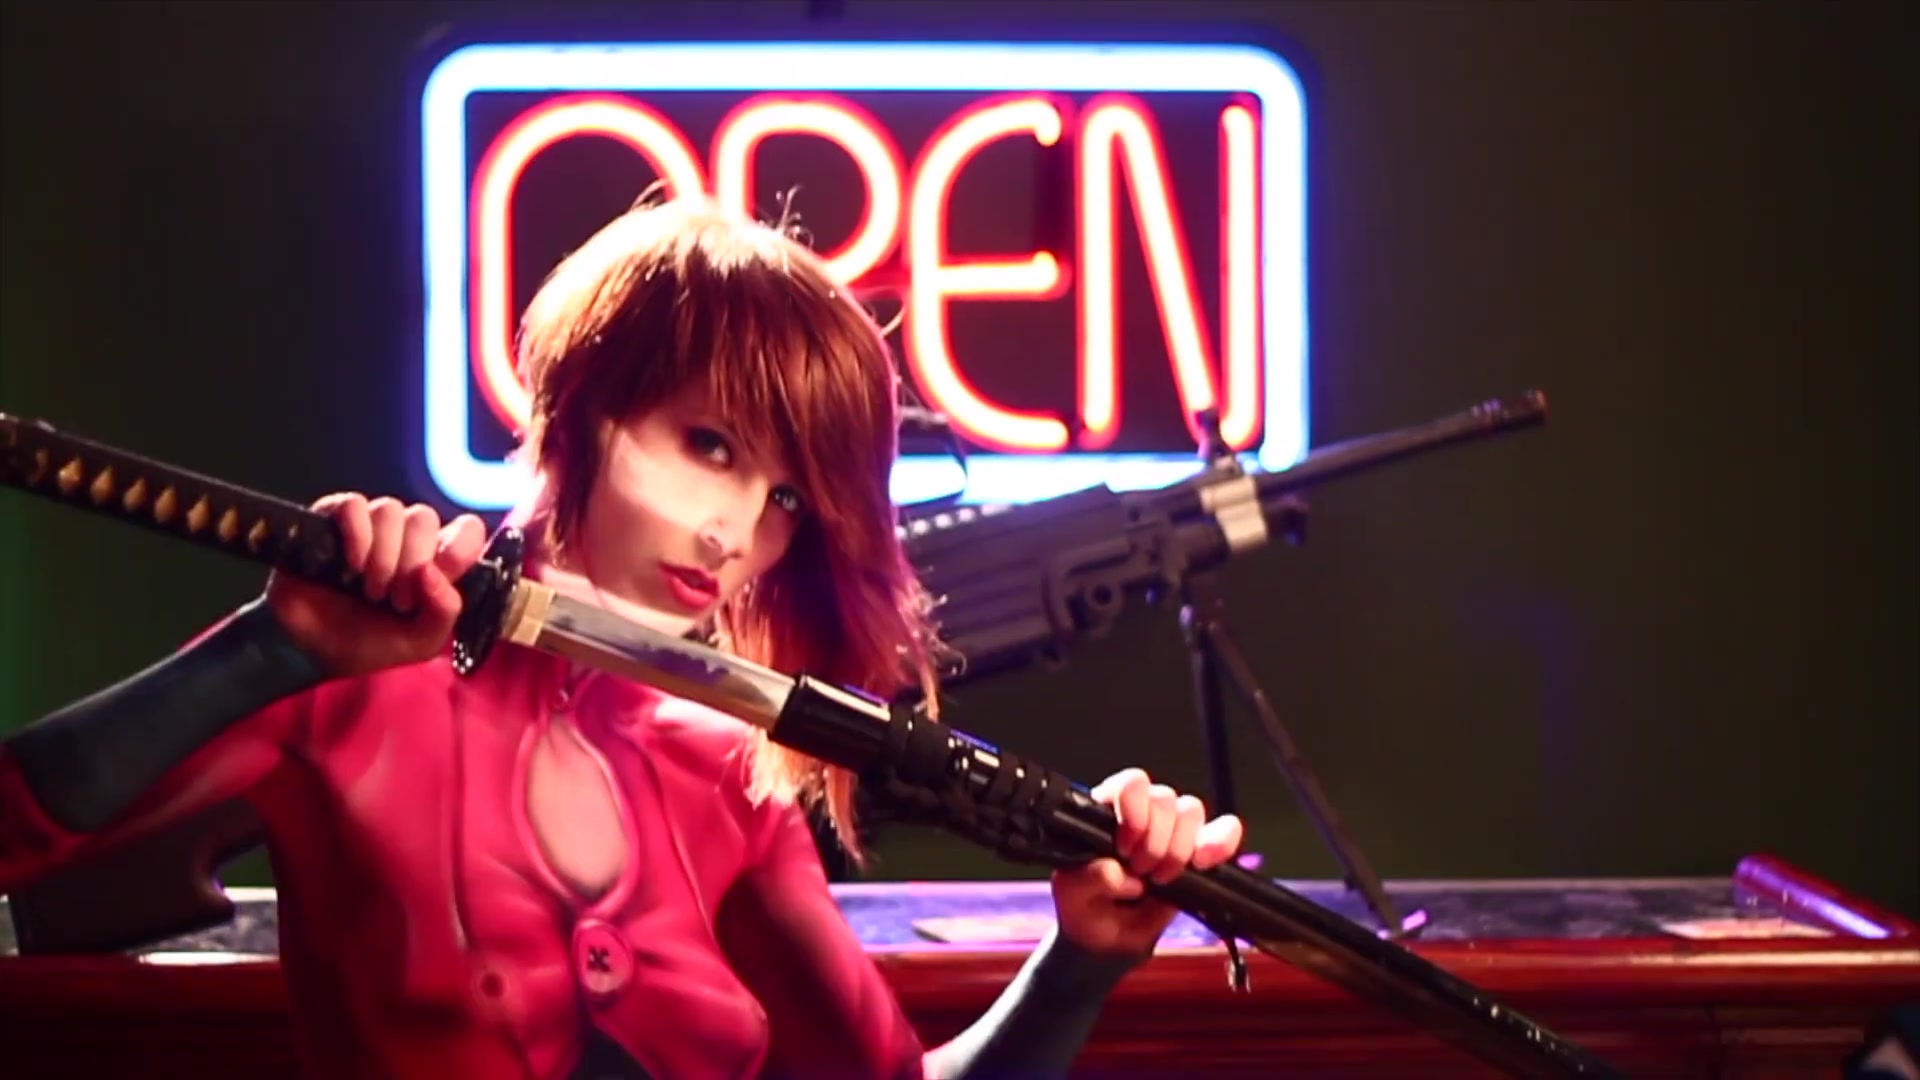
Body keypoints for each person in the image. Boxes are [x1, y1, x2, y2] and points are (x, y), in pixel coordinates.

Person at [0, 197, 1244, 1078]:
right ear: (582, 409)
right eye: (707, 444)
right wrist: (268, 655)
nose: (731, 532)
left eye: (784, 500)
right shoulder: (349, 681)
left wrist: (1079, 960)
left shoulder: (731, 770)